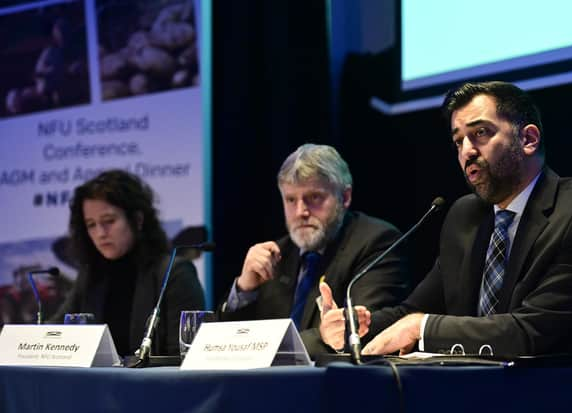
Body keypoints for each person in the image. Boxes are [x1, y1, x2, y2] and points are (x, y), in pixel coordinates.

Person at [356, 81, 572, 356]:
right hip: (476, 387)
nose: (467, 151)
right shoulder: (464, 216)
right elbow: (415, 310)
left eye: (480, 133)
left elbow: (530, 331)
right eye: (458, 141)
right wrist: (355, 327)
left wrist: (421, 328)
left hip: (560, 391)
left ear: (529, 139)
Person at [218, 143, 409, 357]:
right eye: (291, 199)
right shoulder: (275, 255)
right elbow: (227, 349)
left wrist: (274, 350)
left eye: (314, 197)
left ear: (344, 197)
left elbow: (362, 330)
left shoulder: (377, 242)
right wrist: (245, 290)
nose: (301, 211)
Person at [50, 169, 205, 357]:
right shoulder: (91, 275)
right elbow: (54, 335)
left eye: (109, 221)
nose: (100, 233)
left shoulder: (174, 273)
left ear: (137, 220)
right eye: (91, 224)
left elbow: (185, 355)